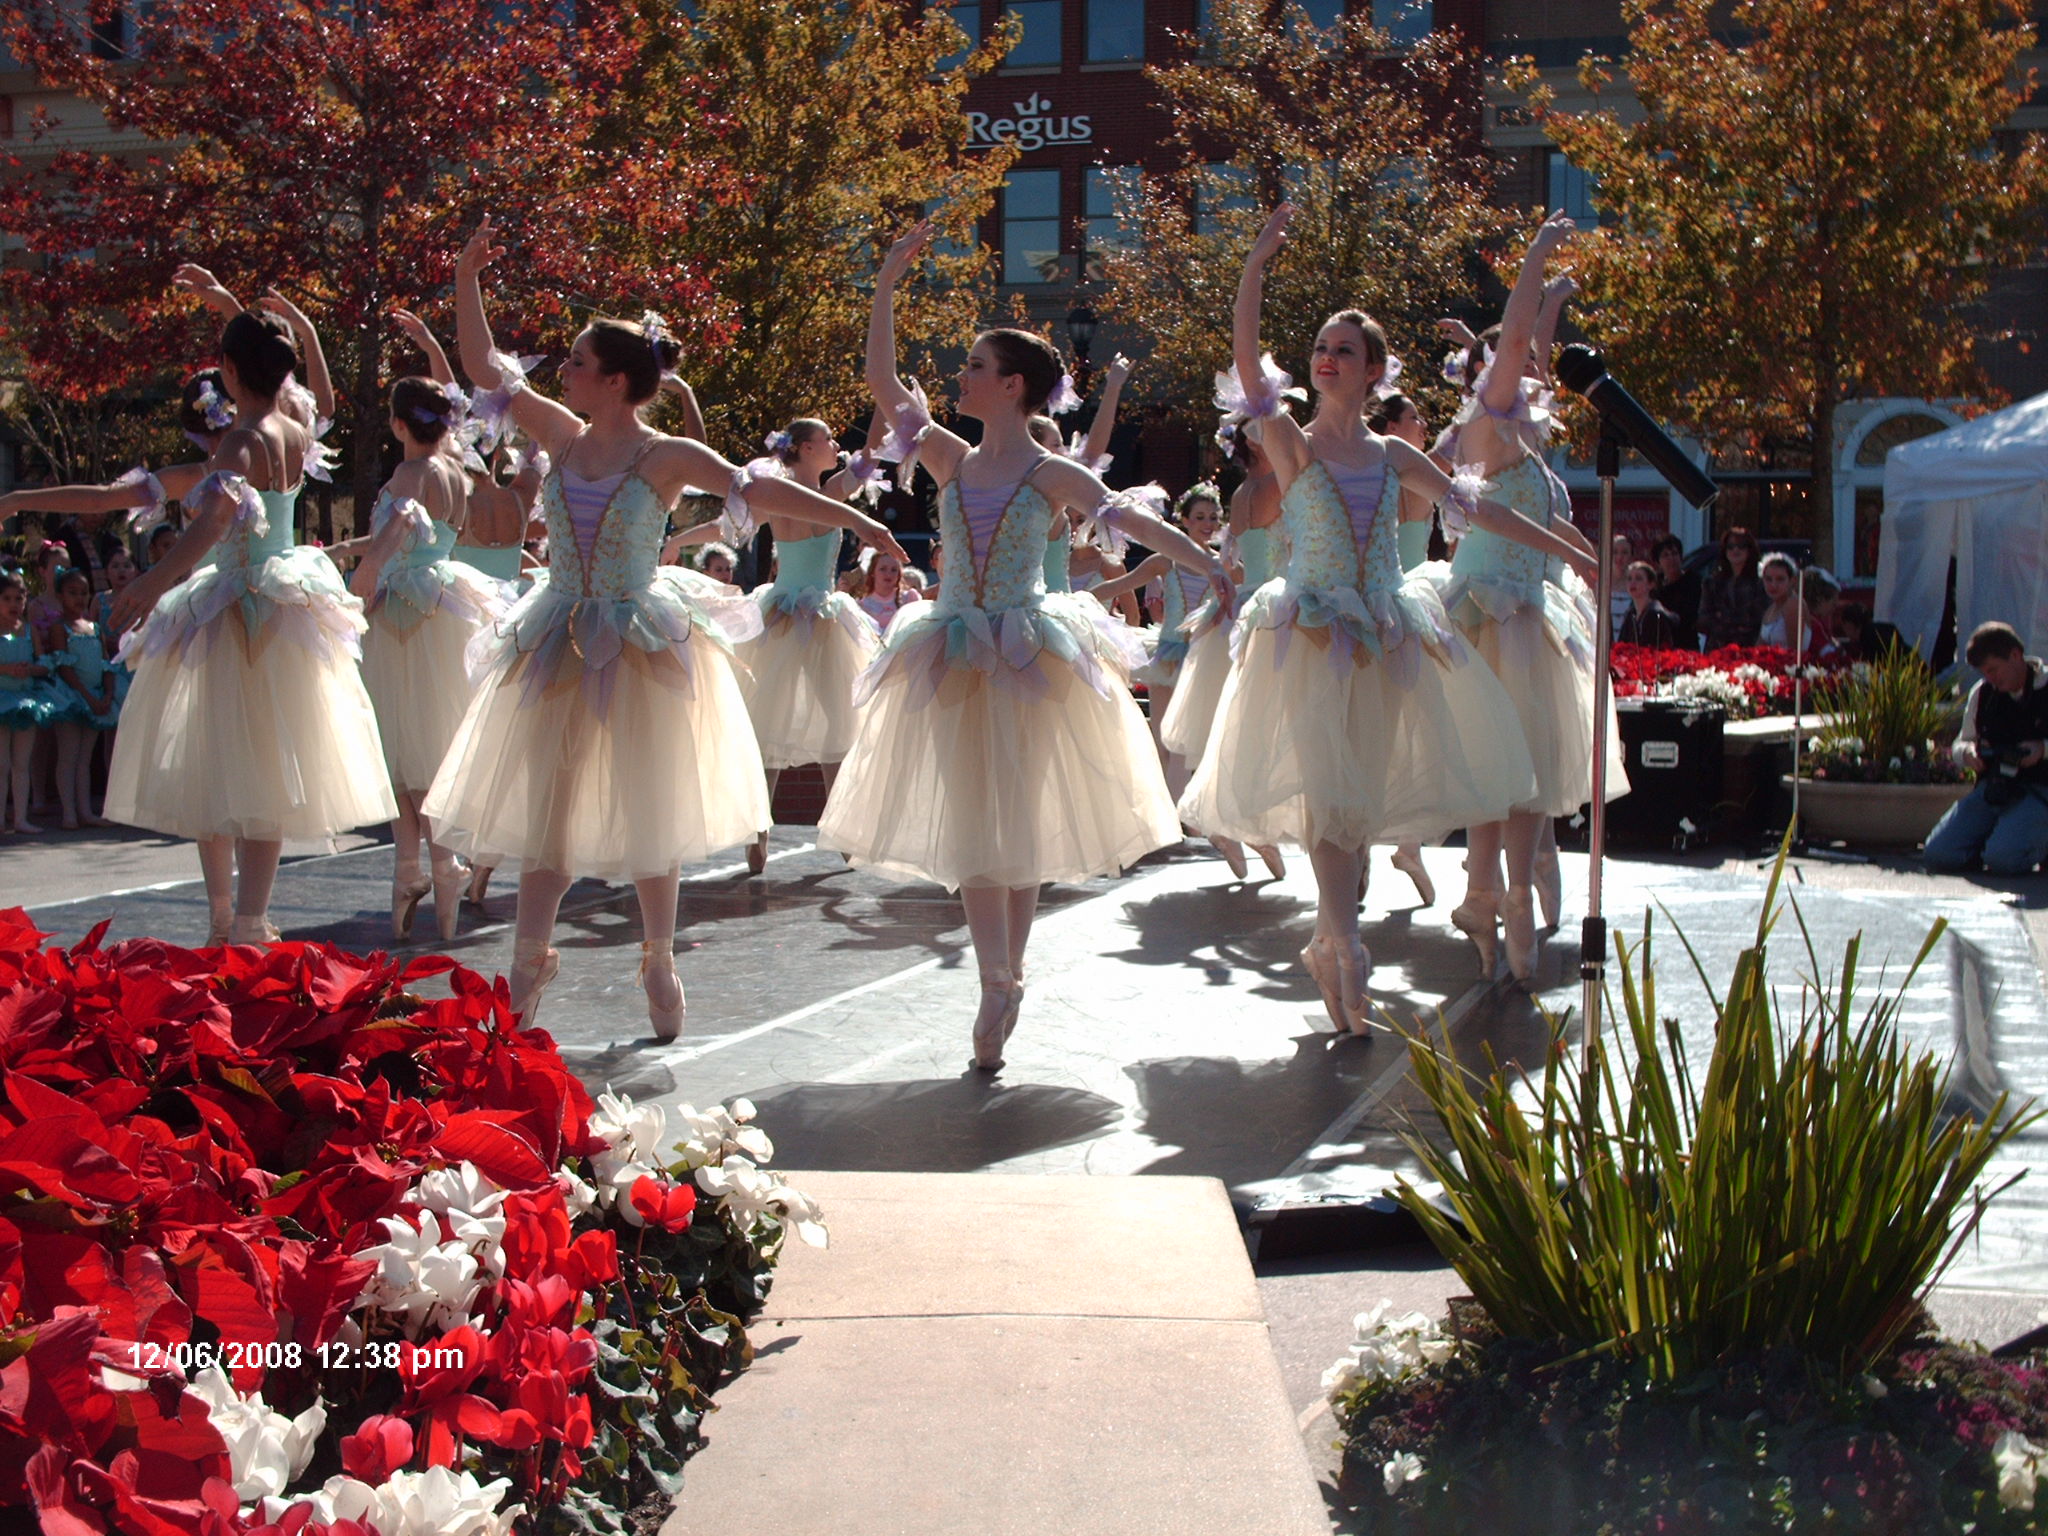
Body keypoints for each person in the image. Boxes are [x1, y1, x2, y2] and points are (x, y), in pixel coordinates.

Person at [423, 216, 903, 1040]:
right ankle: (528, 961)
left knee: (650, 807)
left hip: (640, 642)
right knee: (548, 810)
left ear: (614, 380)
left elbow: (765, 493)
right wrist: (466, 277)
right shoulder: (562, 435)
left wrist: (862, 526)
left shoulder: (666, 455)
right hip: (556, 637)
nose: (562, 370)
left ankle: (656, 954)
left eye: (575, 361)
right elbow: (482, 368)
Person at [819, 220, 1229, 1072]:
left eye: (973, 366)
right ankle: (995, 978)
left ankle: (1007, 972)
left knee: (1018, 819)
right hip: (955, 648)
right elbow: (882, 382)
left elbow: (1130, 519)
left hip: (1030, 649)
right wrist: (888, 280)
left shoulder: (1051, 475)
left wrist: (1212, 569)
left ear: (1010, 386)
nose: (959, 376)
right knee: (973, 821)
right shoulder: (949, 458)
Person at [1185, 203, 1583, 1031]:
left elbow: (1482, 512)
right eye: (1322, 350)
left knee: (1354, 798)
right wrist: (1254, 271)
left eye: (1345, 351)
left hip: (1389, 633)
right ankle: (1343, 936)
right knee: (1330, 799)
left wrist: (1564, 545)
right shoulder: (1292, 444)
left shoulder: (1396, 454)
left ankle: (1339, 940)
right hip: (1314, 631)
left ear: (1374, 373)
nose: (1327, 360)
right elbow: (1248, 367)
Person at [106, 308, 397, 945]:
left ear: (230, 372)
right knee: (264, 767)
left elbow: (213, 521)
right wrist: (234, 305)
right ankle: (248, 917)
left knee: (215, 760)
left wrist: (152, 582)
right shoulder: (293, 426)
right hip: (282, 602)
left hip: (236, 605)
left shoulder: (241, 442)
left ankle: (227, 918)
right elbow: (311, 396)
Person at [1436, 211, 1625, 986]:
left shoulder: (1530, 443)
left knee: (1523, 776)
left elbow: (1533, 349)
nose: (1534, 376)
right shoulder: (1485, 426)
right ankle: (1493, 894)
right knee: (1496, 769)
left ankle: (1504, 895)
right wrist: (1538, 259)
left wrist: (1554, 300)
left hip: (1535, 615)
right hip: (1486, 613)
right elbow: (1515, 342)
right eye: (1517, 369)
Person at [348, 376, 506, 943]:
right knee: (424, 753)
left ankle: (416, 870)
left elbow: (404, 522)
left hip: (402, 613)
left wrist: (367, 571)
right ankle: (436, 876)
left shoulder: (410, 474)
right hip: (440, 606)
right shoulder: (456, 473)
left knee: (403, 750)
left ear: (397, 425)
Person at [728, 417, 881, 876]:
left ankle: (762, 834)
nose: (837, 445)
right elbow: (870, 457)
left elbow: (728, 523)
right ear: (805, 449)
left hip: (780, 612)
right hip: (817, 616)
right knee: (836, 725)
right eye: (828, 440)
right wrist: (884, 407)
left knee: (772, 725)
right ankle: (832, 832)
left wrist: (678, 539)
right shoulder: (829, 494)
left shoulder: (778, 495)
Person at [1923, 621, 2048, 874]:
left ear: (2015, 655)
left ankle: (2017, 845)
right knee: (1939, 855)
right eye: (1984, 673)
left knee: (2004, 860)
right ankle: (1997, 842)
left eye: (1994, 669)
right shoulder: (1983, 693)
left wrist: (2043, 749)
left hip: (2041, 789)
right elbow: (1962, 742)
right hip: (1995, 786)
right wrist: (1967, 753)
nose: (1990, 678)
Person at [42, 566, 119, 827]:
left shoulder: (95, 628)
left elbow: (106, 663)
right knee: (68, 755)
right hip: (71, 698)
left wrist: (107, 694)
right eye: (72, 592)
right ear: (61, 596)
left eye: (83, 593)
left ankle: (85, 811)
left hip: (96, 698)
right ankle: (69, 812)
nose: (79, 598)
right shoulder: (59, 628)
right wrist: (86, 697)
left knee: (84, 758)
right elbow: (64, 668)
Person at [0, 570, 56, 832]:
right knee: (2, 764)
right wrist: (7, 669)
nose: (14, 605)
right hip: (2, 702)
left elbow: (43, 664)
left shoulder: (29, 631)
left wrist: (30, 670)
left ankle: (21, 818)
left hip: (26, 701)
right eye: (7, 598)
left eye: (18, 599)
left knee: (22, 763)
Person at [1698, 526, 1766, 650]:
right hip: (1716, 650)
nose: (1735, 550)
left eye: (1741, 546)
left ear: (1749, 550)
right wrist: (1734, 623)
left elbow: (1757, 619)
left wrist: (1721, 617)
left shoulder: (1760, 583)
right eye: (1730, 546)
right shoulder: (1711, 582)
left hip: (1748, 650)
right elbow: (1703, 620)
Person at [1648, 533, 1700, 647]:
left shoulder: (1693, 581)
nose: (1671, 558)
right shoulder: (1655, 585)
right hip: (1660, 646)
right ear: (1658, 562)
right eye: (1665, 555)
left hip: (1686, 645)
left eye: (1674, 554)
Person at [1617, 560, 1682, 648]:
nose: (1632, 583)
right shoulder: (1630, 614)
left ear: (1651, 584)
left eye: (1638, 578)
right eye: (1629, 578)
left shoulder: (1656, 614)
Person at [1756, 552, 1801, 649]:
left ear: (1792, 580)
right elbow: (1758, 649)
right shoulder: (1770, 611)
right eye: (1768, 579)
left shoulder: (1794, 605)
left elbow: (1794, 652)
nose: (1773, 585)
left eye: (1780, 579)